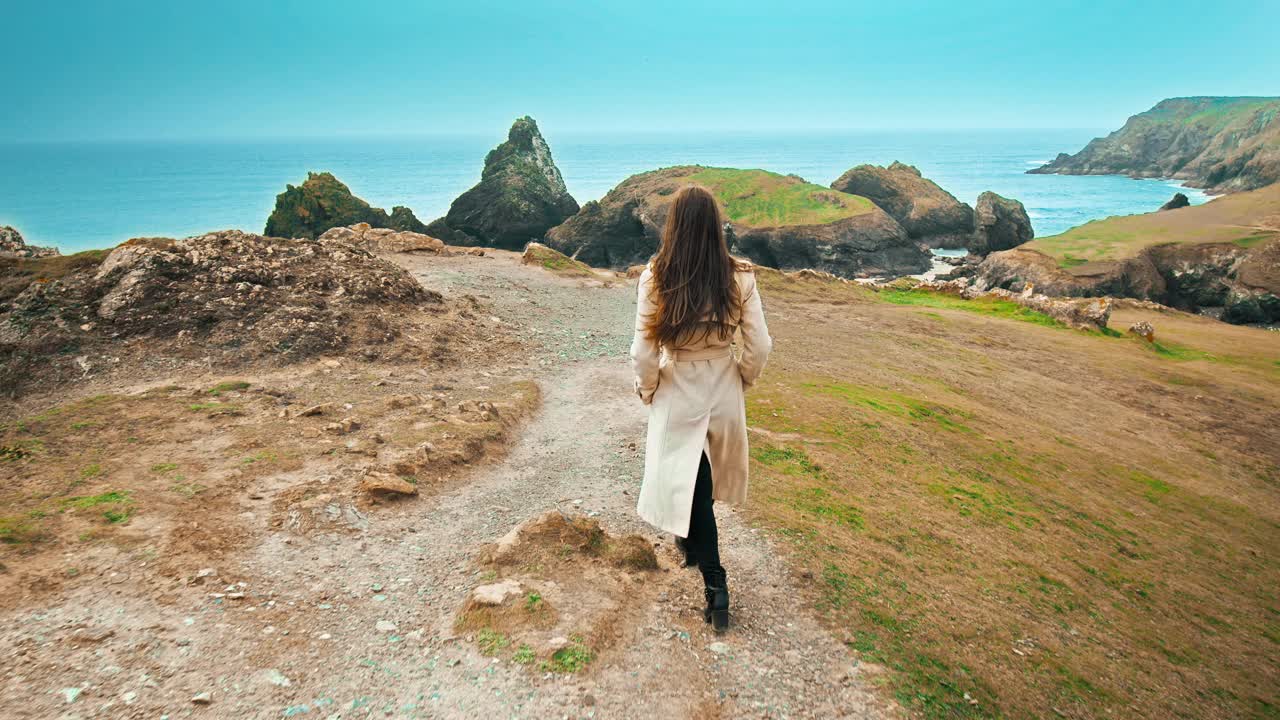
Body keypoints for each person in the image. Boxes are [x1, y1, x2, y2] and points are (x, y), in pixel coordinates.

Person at [629, 185, 772, 632]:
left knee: (686, 475)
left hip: (680, 383)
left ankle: (716, 582)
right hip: (722, 381)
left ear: (674, 225)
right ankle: (692, 545)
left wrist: (648, 389)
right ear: (714, 225)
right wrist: (742, 377)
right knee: (697, 477)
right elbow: (760, 344)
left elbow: (643, 351)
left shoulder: (657, 276)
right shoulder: (739, 275)